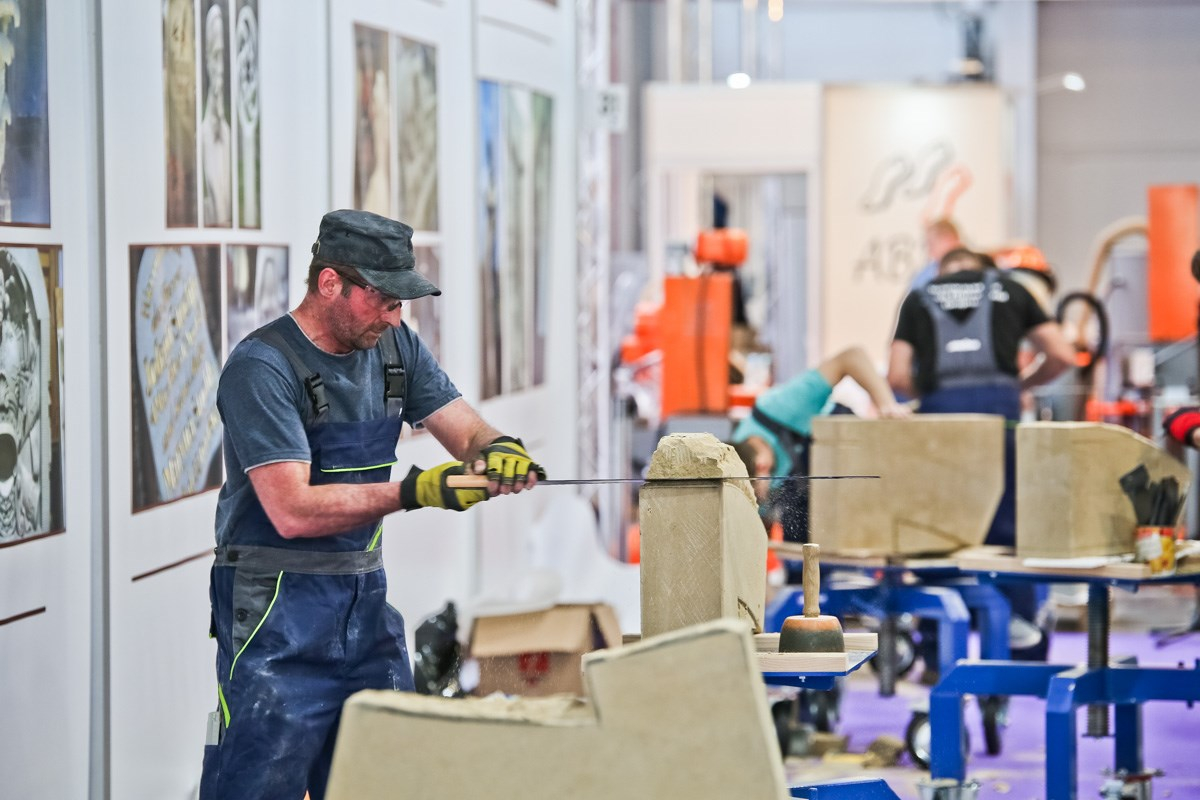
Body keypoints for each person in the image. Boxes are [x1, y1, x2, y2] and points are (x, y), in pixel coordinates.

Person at [200, 210, 545, 800]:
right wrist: (415, 491)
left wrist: (498, 448)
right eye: (382, 300)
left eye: (400, 302)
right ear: (330, 282)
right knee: (259, 780)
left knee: (388, 777)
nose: (394, 317)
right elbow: (290, 509)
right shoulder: (262, 368)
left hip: (364, 612)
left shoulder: (394, 347)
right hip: (274, 617)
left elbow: (465, 430)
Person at [889, 246, 1074, 671]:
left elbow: (897, 376)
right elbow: (1062, 355)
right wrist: (1020, 383)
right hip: (999, 419)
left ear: (941, 269)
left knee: (938, 532)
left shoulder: (918, 297)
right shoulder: (1012, 289)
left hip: (940, 427)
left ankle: (935, 650)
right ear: (985, 267)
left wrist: (933, 398)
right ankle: (1021, 649)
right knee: (1006, 530)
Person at [731, 346, 912, 544]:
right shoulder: (737, 471)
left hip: (854, 463)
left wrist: (887, 405)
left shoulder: (781, 406)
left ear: (762, 466)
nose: (761, 501)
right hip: (816, 507)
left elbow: (851, 357)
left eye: (759, 495)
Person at [908, 217, 963, 291]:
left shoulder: (975, 267)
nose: (930, 253)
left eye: (932, 245)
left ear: (949, 239)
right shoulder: (926, 274)